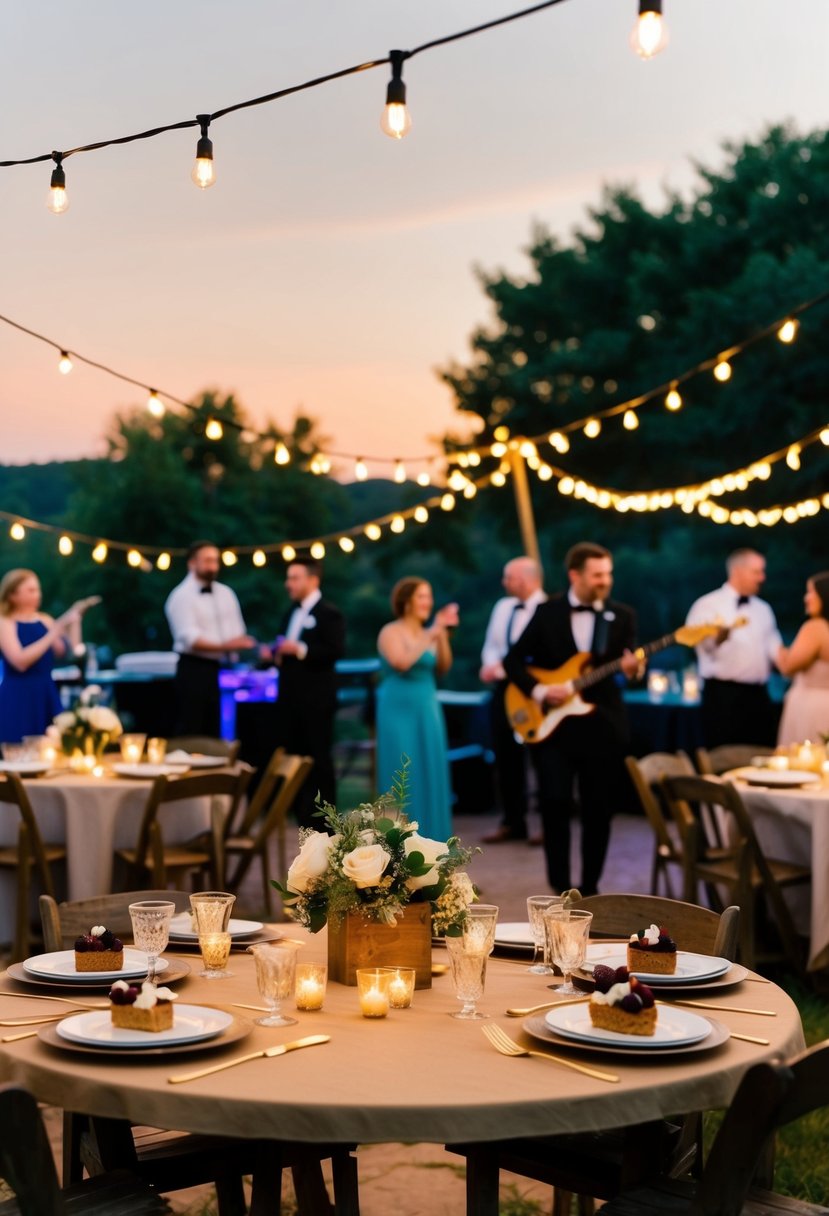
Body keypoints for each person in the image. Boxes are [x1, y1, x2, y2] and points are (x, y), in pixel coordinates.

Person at [503, 542, 643, 896]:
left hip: (602, 726)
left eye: (608, 574)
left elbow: (630, 667)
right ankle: (561, 889)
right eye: (597, 575)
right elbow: (513, 661)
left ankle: (592, 888)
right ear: (575, 575)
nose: (605, 581)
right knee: (554, 804)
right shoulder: (547, 611)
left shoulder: (622, 615)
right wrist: (539, 691)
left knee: (599, 809)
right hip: (555, 728)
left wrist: (635, 669)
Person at [263, 557, 346, 829]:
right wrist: (273, 654)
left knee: (320, 761)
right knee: (294, 761)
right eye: (288, 578)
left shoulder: (329, 613)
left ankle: (326, 824)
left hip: (317, 701)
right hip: (290, 701)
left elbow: (335, 651)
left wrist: (298, 649)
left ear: (313, 579)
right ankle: (302, 819)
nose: (289, 583)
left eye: (295, 577)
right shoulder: (290, 612)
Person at [376, 577, 458, 841]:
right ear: (407, 601)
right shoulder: (390, 631)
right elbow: (400, 662)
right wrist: (431, 633)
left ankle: (436, 846)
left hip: (427, 707)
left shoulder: (432, 632)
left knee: (430, 768)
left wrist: (442, 634)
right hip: (397, 710)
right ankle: (397, 849)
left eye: (429, 596)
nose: (428, 602)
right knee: (401, 773)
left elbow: (443, 666)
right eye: (422, 596)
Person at [479, 556, 547, 843]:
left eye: (509, 577)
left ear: (527, 579)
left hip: (536, 689)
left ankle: (547, 823)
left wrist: (511, 668)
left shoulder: (549, 609)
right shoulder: (503, 607)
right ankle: (512, 821)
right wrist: (490, 665)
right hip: (504, 689)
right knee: (505, 755)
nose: (504, 582)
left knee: (543, 757)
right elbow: (493, 645)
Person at [685, 549, 782, 747]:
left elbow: (777, 652)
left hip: (759, 696)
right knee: (722, 756)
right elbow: (701, 646)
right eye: (757, 572)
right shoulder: (707, 605)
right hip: (723, 697)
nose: (762, 577)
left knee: (762, 753)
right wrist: (719, 637)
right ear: (738, 571)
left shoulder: (764, 609)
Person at [164, 540, 255, 736]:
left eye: (215, 561)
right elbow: (191, 640)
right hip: (193, 669)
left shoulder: (226, 593)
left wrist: (239, 645)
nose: (213, 566)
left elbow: (239, 632)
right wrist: (226, 646)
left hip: (222, 669)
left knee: (216, 728)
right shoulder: (181, 596)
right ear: (192, 563)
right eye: (207, 560)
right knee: (192, 727)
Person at [0, 568, 95, 742]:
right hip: (17, 697)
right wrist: (55, 630)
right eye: (30, 590)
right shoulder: (4, 622)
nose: (37, 594)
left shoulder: (44, 620)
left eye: (37, 589)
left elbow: (70, 651)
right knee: (16, 750)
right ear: (12, 594)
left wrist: (74, 620)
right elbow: (20, 661)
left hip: (45, 694)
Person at [775, 572, 829, 747]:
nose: (807, 598)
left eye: (811, 592)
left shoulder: (815, 628)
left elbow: (788, 667)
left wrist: (777, 649)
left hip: (812, 709)